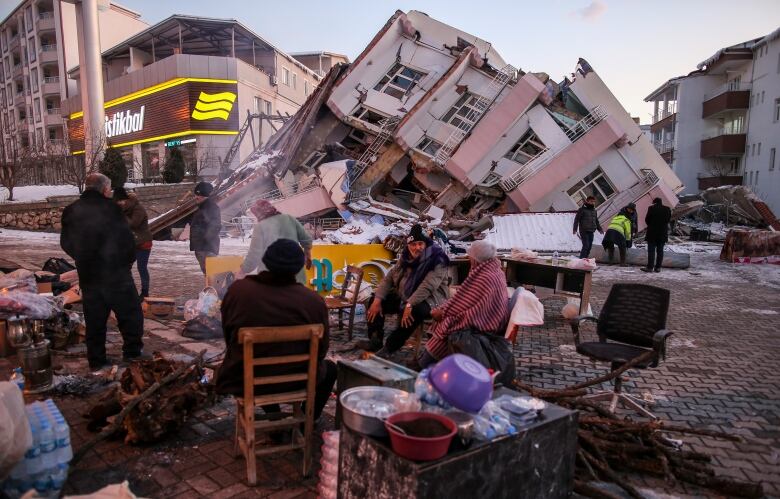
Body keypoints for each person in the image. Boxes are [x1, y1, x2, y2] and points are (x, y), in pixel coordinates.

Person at [216, 239, 336, 420]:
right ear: (299, 267)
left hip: (247, 380)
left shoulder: (238, 291)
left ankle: (273, 416)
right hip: (298, 380)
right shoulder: (313, 301)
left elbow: (229, 337)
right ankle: (305, 421)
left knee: (252, 362)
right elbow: (321, 350)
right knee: (331, 369)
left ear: (266, 262)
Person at [60, 173, 146, 370]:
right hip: (116, 273)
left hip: (88, 274)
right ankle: (132, 353)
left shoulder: (71, 210)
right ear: (104, 189)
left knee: (95, 318)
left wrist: (82, 258)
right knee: (130, 314)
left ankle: (96, 360)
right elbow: (126, 241)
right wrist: (125, 262)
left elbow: (66, 242)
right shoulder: (112, 209)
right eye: (109, 189)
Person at [358, 224, 450, 356]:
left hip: (431, 299)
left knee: (414, 312)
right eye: (413, 244)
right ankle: (375, 340)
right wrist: (378, 299)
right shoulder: (406, 257)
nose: (417, 248)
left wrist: (409, 304)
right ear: (408, 245)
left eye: (420, 244)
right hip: (406, 294)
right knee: (375, 300)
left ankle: (389, 348)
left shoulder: (438, 259)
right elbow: (389, 278)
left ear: (426, 244)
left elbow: (428, 286)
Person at [420, 241, 508, 368]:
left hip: (484, 324)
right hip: (488, 318)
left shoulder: (485, 277)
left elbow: (464, 305)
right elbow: (464, 299)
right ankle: (429, 361)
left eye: (471, 256)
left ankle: (427, 364)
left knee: (447, 324)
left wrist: (443, 312)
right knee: (443, 318)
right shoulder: (494, 271)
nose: (469, 258)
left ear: (476, 258)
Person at [236, 199, 313, 284]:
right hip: (297, 278)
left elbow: (254, 255)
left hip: (273, 282)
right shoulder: (289, 218)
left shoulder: (260, 227)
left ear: (260, 213)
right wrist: (308, 255)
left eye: (256, 214)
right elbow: (306, 239)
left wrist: (242, 271)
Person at [114, 187, 152, 298]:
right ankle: (127, 291)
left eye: (120, 201)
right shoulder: (123, 209)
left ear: (125, 200)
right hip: (130, 243)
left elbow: (133, 224)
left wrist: (120, 215)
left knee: (142, 267)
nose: (119, 203)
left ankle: (145, 292)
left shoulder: (138, 208)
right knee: (125, 267)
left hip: (143, 242)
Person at [190, 181, 221, 274]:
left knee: (212, 274)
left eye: (198, 195)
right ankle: (211, 288)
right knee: (208, 274)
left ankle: (215, 288)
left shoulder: (210, 207)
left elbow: (215, 225)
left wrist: (205, 239)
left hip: (207, 248)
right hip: (202, 247)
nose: (196, 197)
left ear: (205, 196)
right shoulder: (202, 207)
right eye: (195, 195)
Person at [642, 198, 672, 273]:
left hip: (652, 233)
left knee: (651, 251)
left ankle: (650, 267)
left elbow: (647, 219)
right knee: (660, 251)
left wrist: (651, 225)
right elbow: (668, 220)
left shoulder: (651, 208)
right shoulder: (667, 209)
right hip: (662, 233)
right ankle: (658, 267)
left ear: (654, 203)